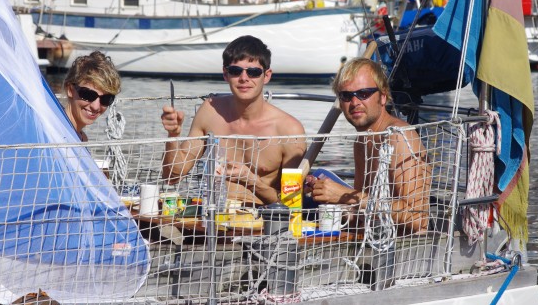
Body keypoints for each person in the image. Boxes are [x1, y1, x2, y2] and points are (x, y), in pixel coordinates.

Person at [161, 35, 306, 206]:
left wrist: (252, 181)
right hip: (212, 219)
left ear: (266, 76)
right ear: (225, 74)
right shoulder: (210, 111)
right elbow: (172, 176)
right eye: (236, 71)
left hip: (262, 223)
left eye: (253, 72)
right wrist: (173, 135)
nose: (244, 78)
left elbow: (292, 203)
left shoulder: (289, 130)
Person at [306, 57, 430, 234]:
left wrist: (346, 195)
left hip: (407, 251)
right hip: (374, 238)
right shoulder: (362, 140)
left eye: (364, 93)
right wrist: (329, 197)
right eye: (347, 96)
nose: (355, 102)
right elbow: (364, 211)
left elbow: (417, 217)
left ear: (383, 96)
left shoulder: (399, 137)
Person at [62, 51, 121, 142]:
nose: (96, 106)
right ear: (70, 90)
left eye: (106, 99)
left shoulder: (82, 138)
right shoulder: (55, 134)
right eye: (88, 95)